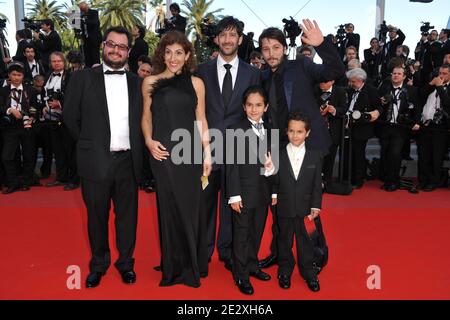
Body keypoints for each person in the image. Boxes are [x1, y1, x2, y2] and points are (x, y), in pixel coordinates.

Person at [258, 20, 345, 269]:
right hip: (277, 148)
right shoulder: (262, 77)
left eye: (276, 47)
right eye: (266, 49)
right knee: (278, 205)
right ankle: (279, 252)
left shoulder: (302, 66)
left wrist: (323, 44)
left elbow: (335, 71)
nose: (271, 53)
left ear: (285, 49)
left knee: (306, 204)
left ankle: (315, 256)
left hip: (308, 145)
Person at [64, 26, 144, 288]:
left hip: (128, 162)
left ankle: (126, 263)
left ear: (128, 52)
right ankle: (98, 264)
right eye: (111, 44)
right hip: (95, 160)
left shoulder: (138, 82)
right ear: (103, 46)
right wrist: (92, 144)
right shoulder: (83, 78)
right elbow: (70, 119)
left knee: (127, 218)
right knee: (96, 217)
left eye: (121, 47)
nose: (115, 50)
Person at [141, 30, 212, 288]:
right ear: (162, 54)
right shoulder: (150, 82)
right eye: (168, 52)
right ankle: (173, 265)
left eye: (179, 53)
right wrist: (149, 142)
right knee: (169, 207)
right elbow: (146, 118)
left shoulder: (196, 83)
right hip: (163, 154)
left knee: (190, 208)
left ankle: (192, 263)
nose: (173, 58)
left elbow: (201, 119)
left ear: (188, 55)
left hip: (190, 153)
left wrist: (207, 152)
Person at [197, 16, 261, 271]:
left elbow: (256, 114)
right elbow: (196, 110)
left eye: (232, 35)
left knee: (233, 206)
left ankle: (228, 253)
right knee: (205, 206)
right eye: (222, 35)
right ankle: (202, 256)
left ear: (240, 39)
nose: (227, 39)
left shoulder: (253, 73)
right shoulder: (201, 71)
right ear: (215, 39)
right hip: (206, 150)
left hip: (238, 150)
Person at [226, 85, 276, 295]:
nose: (254, 109)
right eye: (250, 105)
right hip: (243, 193)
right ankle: (241, 274)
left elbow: (273, 164)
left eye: (258, 105)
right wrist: (234, 195)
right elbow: (232, 166)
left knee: (256, 232)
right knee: (241, 234)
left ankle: (253, 266)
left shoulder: (272, 129)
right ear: (244, 107)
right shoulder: (234, 130)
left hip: (263, 192)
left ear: (265, 107)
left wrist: (274, 191)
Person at [272, 112, 323, 292]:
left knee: (306, 242)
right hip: (284, 207)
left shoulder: (315, 156)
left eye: (299, 132)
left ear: (307, 133)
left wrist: (316, 205)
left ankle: (309, 272)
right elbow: (273, 180)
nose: (295, 135)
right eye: (291, 131)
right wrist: (273, 195)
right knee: (283, 240)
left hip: (306, 208)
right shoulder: (277, 154)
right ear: (286, 131)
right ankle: (284, 271)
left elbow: (317, 184)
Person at [378, 67, 420, 191]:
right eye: (394, 73)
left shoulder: (411, 90)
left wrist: (416, 122)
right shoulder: (384, 88)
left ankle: (393, 182)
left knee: (395, 154)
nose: (396, 75)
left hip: (400, 128)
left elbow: (417, 107)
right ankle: (387, 179)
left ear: (404, 76)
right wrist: (381, 102)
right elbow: (377, 105)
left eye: (399, 74)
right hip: (385, 126)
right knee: (385, 153)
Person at [0, 62, 38, 194]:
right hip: (9, 126)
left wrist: (32, 116)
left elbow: (34, 106)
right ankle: (13, 182)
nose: (16, 77)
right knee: (7, 156)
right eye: (14, 74)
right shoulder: (3, 90)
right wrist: (10, 110)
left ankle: (26, 182)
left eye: (19, 75)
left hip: (27, 125)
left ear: (23, 76)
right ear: (9, 75)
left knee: (29, 155)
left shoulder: (30, 90)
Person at [78, 1, 102, 68]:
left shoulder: (94, 12)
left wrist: (84, 20)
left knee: (95, 57)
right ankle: (88, 71)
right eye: (81, 9)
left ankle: (96, 70)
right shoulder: (81, 15)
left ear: (87, 7)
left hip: (95, 39)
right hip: (86, 39)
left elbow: (95, 23)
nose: (82, 11)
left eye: (83, 9)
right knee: (87, 57)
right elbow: (80, 26)